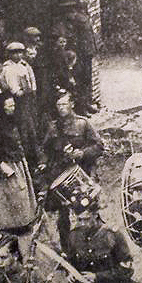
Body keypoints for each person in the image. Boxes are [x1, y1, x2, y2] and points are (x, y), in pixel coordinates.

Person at [42, 92, 104, 245]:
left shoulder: (83, 124)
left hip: (83, 172)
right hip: (62, 175)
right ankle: (68, 249)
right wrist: (44, 162)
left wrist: (82, 153)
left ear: (72, 105)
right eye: (59, 105)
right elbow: (45, 149)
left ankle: (96, 242)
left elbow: (99, 146)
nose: (61, 108)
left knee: (88, 209)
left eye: (64, 104)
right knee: (63, 215)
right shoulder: (53, 127)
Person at [0, 93, 38, 230]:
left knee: (23, 193)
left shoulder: (14, 119)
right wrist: (0, 164)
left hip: (19, 161)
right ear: (2, 107)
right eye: (9, 106)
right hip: (7, 163)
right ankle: (13, 225)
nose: (12, 108)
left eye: (13, 105)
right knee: (13, 195)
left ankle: (24, 221)